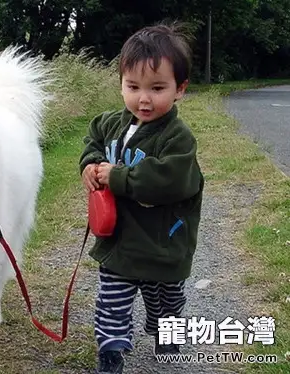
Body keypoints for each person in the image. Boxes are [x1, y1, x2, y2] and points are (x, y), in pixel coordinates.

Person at [79, 22, 204, 374]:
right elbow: (93, 140)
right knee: (112, 302)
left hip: (162, 245)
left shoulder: (178, 139)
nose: (143, 98)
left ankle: (168, 332)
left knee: (166, 301)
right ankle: (111, 351)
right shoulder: (111, 123)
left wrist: (118, 177)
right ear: (121, 83)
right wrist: (90, 164)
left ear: (180, 89)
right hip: (119, 243)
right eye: (133, 87)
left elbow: (170, 181)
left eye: (157, 88)